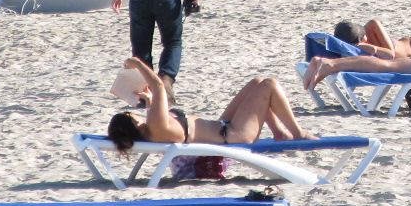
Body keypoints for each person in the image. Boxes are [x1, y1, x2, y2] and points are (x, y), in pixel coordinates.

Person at [105, 58, 314, 153]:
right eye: (132, 115)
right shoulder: (155, 126)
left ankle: (278, 132)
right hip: (232, 135)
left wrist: (150, 102)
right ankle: (297, 133)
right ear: (134, 124)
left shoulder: (153, 128)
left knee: (257, 83)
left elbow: (159, 107)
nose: (136, 114)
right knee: (269, 85)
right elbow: (159, 85)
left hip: (223, 126)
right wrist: (138, 64)